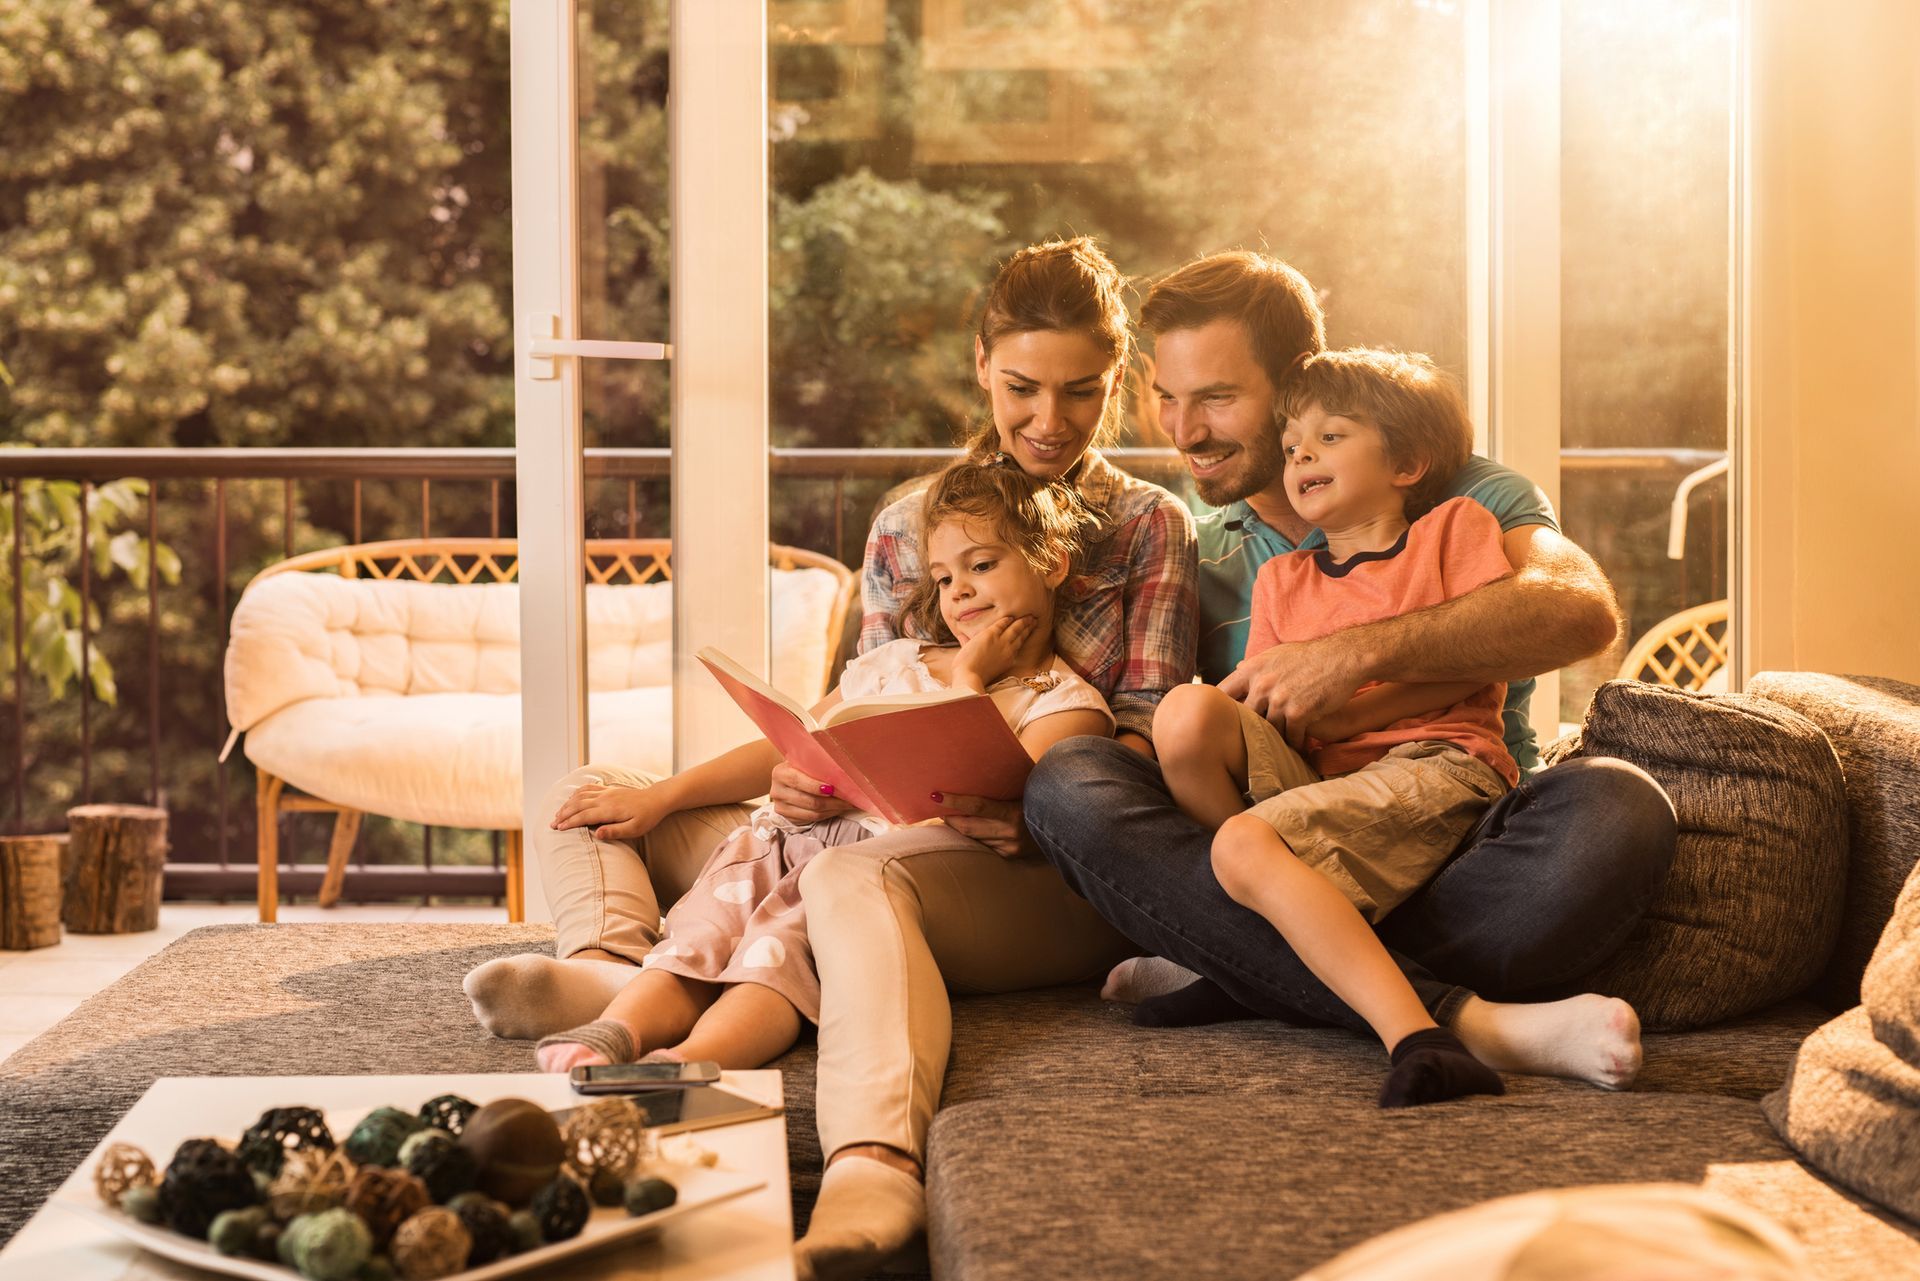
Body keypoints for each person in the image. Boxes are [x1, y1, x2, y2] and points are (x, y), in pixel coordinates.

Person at [1029, 251, 1676, 1096]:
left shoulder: (1459, 494)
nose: (1185, 433)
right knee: (1071, 783)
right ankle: (1465, 1019)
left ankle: (1235, 966)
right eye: (1168, 398)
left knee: (1618, 807)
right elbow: (1170, 742)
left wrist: (1355, 654)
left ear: (1298, 381)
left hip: (1461, 836)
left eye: (1217, 398)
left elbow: (1579, 610)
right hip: (1292, 842)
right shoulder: (1194, 544)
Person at [529, 460, 1115, 1075]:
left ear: (1050, 562)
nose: (958, 591)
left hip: (865, 881)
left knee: (773, 958)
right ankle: (613, 1034)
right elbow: (795, 744)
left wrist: (971, 678)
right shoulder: (896, 660)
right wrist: (665, 797)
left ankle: (686, 1065)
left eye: (982, 565)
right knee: (695, 942)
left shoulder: (1065, 705)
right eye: (942, 578)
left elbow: (991, 790)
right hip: (783, 844)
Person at [1158, 345, 1621, 1108]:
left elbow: (1483, 666)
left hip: (1441, 759)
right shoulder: (1282, 579)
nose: (1302, 453)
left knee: (1242, 842)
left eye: (1330, 437)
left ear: (1407, 462)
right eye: (1293, 443)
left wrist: (1357, 703)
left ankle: (1421, 1036)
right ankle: (1286, 925)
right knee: (1184, 715)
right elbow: (1274, 714)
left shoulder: (1456, 530)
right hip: (1327, 778)